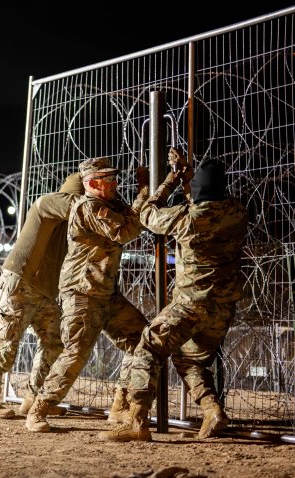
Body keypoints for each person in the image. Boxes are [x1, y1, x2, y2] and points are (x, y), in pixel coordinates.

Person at [98, 149, 248, 442]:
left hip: (191, 305)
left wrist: (169, 180)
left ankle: (136, 421)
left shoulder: (186, 219)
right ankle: (212, 410)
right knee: (189, 360)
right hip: (224, 307)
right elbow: (204, 202)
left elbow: (147, 213)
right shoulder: (237, 213)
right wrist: (188, 181)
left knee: (147, 347)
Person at [25, 157, 150, 432]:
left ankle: (122, 405)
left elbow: (131, 216)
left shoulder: (109, 204)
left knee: (139, 338)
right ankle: (38, 409)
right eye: (108, 180)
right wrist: (145, 194)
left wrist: (145, 190)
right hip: (83, 292)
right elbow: (125, 230)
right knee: (76, 353)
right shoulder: (89, 207)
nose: (115, 183)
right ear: (92, 183)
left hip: (105, 291)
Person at [0, 172, 84, 418]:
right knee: (6, 345)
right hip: (20, 284)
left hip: (45, 291)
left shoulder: (73, 222)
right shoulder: (48, 203)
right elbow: (73, 206)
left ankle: (34, 399)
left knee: (54, 345)